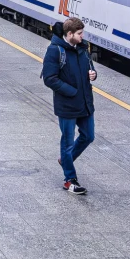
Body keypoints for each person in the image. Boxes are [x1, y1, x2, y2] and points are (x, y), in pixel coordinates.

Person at [42, 17, 97, 194]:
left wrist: (93, 74)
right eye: (79, 34)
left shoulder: (83, 48)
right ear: (70, 34)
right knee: (67, 142)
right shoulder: (55, 50)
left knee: (88, 136)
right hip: (67, 104)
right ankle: (69, 180)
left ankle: (65, 160)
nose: (82, 36)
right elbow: (49, 79)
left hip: (85, 102)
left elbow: (90, 67)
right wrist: (72, 91)